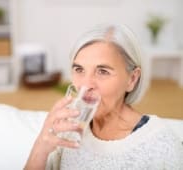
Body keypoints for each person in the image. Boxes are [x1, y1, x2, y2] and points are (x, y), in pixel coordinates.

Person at [24, 24, 183, 170]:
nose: (86, 85)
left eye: (103, 71)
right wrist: (40, 146)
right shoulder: (65, 130)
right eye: (79, 69)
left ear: (132, 79)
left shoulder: (160, 145)